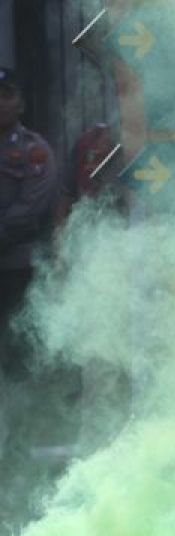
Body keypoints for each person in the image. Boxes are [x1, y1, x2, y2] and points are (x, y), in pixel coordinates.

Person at [0, 67, 58, 375]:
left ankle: (21, 405)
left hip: (16, 270)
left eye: (6, 95)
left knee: (16, 353)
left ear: (21, 104)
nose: (0, 102)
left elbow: (30, 208)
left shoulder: (34, 151)